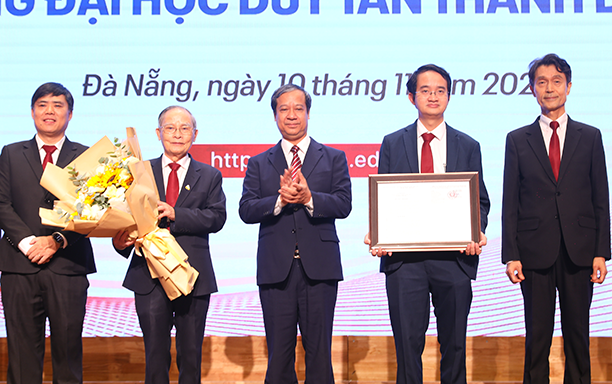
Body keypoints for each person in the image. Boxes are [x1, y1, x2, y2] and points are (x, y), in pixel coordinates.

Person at [365, 64, 490, 384]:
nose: (433, 96)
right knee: (407, 347)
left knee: (455, 345)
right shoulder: (392, 143)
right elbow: (385, 196)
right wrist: (378, 230)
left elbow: (480, 201)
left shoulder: (468, 145)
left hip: (454, 260)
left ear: (449, 95)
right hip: (405, 263)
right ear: (411, 97)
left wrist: (477, 229)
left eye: (440, 90)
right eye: (425, 90)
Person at [502, 54, 610, 384]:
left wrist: (601, 252)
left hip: (579, 250)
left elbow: (600, 198)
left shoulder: (590, 136)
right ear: (532, 89)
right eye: (542, 82)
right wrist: (511, 255)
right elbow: (510, 203)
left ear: (569, 87)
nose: (550, 88)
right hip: (534, 252)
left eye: (557, 81)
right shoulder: (517, 139)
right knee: (537, 336)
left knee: (578, 334)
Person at [239, 84, 351, 384]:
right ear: (275, 116)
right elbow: (246, 210)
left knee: (319, 355)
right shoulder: (259, 162)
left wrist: (308, 198)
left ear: (309, 113)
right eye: (284, 109)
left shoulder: (333, 157)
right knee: (278, 355)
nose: (291, 115)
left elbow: (344, 204)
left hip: (321, 269)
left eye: (298, 108)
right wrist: (279, 201)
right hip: (277, 271)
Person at [113, 105, 226, 384]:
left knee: (191, 355)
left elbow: (217, 217)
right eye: (170, 128)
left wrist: (178, 215)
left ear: (195, 134)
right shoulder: (139, 172)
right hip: (148, 275)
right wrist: (121, 242)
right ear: (158, 133)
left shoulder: (209, 175)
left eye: (185, 128)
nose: (177, 134)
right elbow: (124, 220)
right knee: (155, 355)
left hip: (192, 275)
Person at [0, 82, 96, 384]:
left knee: (68, 354)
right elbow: (2, 202)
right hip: (19, 266)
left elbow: (94, 211)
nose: (49, 111)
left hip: (67, 267)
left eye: (57, 105)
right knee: (21, 354)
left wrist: (57, 241)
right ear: (32, 112)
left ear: (69, 113)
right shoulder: (12, 153)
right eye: (42, 105)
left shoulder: (89, 157)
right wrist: (29, 242)